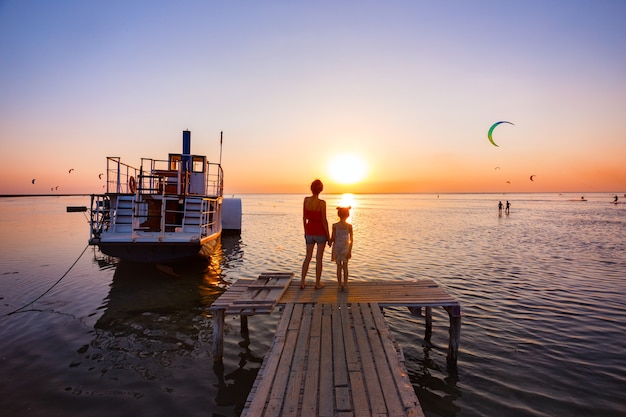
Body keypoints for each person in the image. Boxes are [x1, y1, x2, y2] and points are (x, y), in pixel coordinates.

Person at [301, 179, 330, 289]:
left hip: (309, 231)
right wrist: (328, 236)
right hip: (320, 232)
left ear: (311, 189)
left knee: (308, 257)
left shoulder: (306, 200)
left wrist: (305, 231)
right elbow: (324, 220)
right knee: (319, 259)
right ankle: (317, 283)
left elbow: (304, 217)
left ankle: (302, 281)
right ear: (321, 190)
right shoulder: (322, 203)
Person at [330, 206, 353, 292]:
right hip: (345, 248)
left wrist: (328, 241)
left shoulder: (335, 225)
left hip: (337, 247)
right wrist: (350, 251)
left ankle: (339, 285)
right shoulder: (349, 226)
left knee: (339, 267)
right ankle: (345, 285)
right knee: (345, 267)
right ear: (347, 215)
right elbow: (351, 240)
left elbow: (333, 238)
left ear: (338, 215)